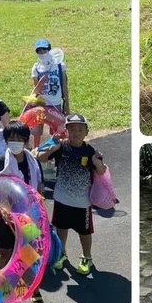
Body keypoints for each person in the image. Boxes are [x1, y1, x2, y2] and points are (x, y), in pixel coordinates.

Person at [0, 120, 46, 303]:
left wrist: (40, 198)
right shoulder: (0, 161)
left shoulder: (33, 162)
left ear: (26, 141)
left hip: (28, 217)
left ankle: (35, 294)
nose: (16, 142)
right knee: (5, 255)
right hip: (5, 217)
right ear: (6, 141)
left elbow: (38, 187)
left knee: (31, 255)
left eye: (20, 139)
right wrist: (0, 208)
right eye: (11, 139)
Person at [38, 114, 106, 276]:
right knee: (61, 229)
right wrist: (51, 148)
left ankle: (87, 257)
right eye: (72, 129)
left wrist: (97, 164)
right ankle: (61, 254)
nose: (76, 133)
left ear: (86, 132)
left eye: (80, 130)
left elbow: (102, 172)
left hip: (82, 203)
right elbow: (40, 158)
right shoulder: (60, 147)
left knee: (85, 232)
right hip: (61, 199)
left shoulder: (90, 151)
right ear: (66, 131)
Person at [29, 39, 70, 145]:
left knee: (57, 130)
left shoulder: (60, 65)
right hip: (41, 103)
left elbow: (64, 86)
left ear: (50, 50)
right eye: (39, 51)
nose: (42, 53)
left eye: (44, 50)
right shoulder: (36, 68)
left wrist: (67, 106)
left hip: (55, 103)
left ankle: (54, 152)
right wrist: (41, 83)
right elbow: (36, 89)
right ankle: (36, 152)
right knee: (37, 131)